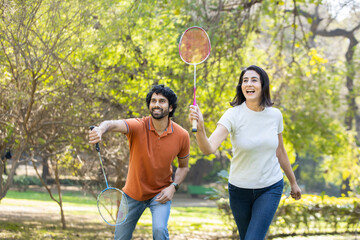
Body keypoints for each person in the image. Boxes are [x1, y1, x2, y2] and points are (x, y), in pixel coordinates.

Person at [189, 65, 301, 240]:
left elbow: (280, 151)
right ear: (241, 86)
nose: (249, 84)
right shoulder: (232, 115)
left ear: (263, 85)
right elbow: (208, 148)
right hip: (239, 190)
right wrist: (201, 128)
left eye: (254, 80)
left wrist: (293, 182)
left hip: (270, 187)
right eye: (245, 80)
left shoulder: (275, 115)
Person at [89, 84, 190, 240]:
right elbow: (113, 124)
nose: (156, 104)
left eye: (162, 101)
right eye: (153, 100)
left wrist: (173, 187)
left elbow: (183, 168)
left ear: (170, 108)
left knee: (159, 230)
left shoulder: (182, 135)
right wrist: (100, 129)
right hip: (131, 194)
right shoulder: (138, 126)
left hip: (160, 193)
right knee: (120, 237)